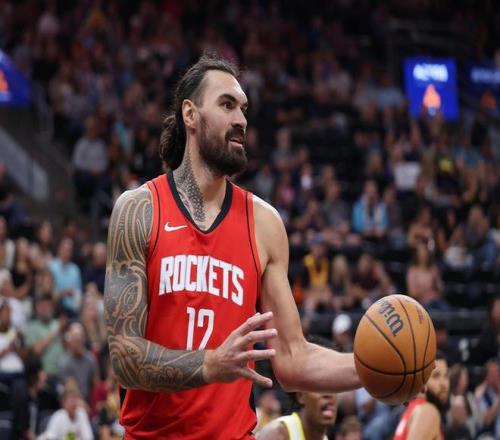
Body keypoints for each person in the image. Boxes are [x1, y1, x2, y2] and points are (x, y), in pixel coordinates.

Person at [104, 55, 360, 439]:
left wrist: (374, 369)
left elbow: (292, 359)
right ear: (190, 114)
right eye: (227, 105)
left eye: (244, 109)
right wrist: (211, 364)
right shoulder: (140, 210)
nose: (241, 119)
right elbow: (125, 357)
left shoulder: (264, 223)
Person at [393, 352, 449, 440]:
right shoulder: (428, 411)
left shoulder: (415, 409)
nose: (444, 384)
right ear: (420, 381)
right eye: (436, 376)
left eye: (446, 376)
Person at [257, 391, 337, 439]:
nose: (329, 394)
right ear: (301, 396)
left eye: (333, 389)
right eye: (318, 388)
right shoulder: (277, 433)